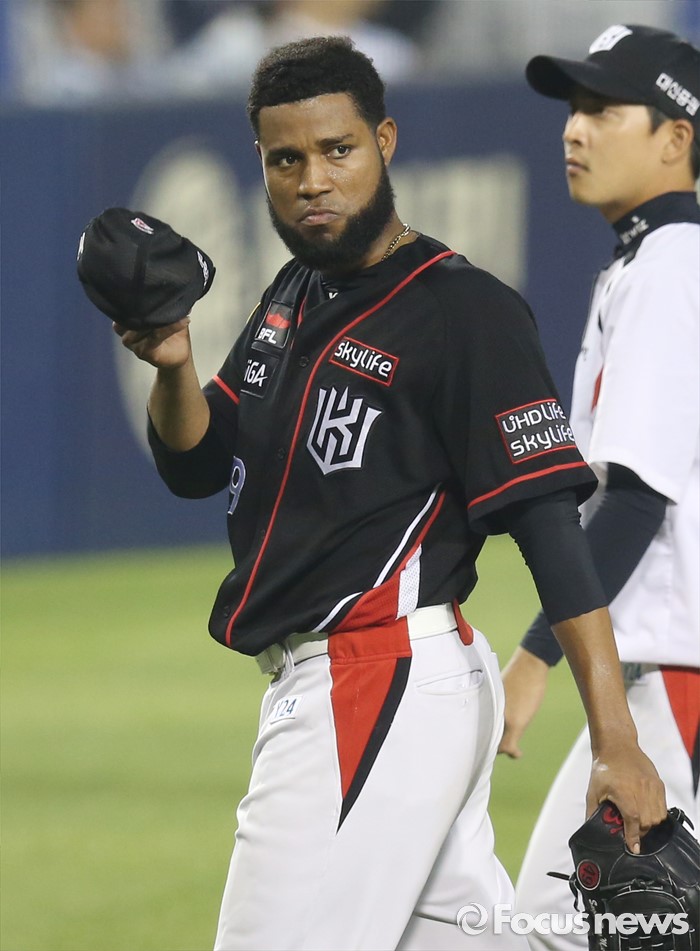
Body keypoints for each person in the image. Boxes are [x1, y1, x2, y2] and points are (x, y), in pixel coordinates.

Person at [114, 36, 665, 951]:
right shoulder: (294, 292)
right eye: (286, 159)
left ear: (385, 142)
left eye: (338, 150)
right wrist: (173, 365)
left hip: (376, 678)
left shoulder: (462, 309)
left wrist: (615, 739)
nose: (313, 180)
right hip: (375, 686)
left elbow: (549, 529)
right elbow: (198, 462)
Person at [498, 23, 700, 951]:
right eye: (572, 109)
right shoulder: (650, 263)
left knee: (555, 930)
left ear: (676, 137)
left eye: (604, 109)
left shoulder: (672, 266)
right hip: (658, 677)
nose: (574, 129)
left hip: (670, 681)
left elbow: (636, 500)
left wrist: (537, 655)